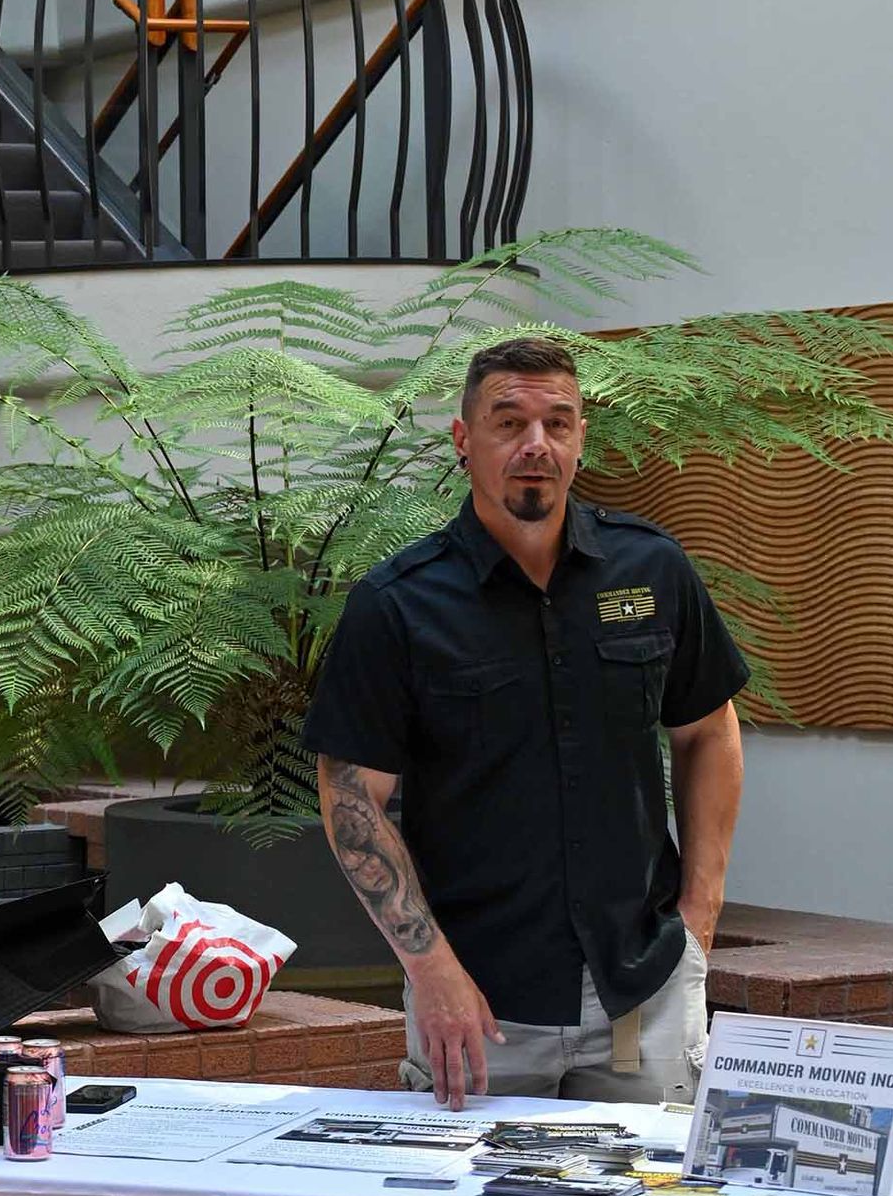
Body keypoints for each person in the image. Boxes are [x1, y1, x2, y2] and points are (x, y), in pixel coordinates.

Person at [303, 337, 747, 1111]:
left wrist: (699, 920)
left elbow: (709, 731)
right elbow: (350, 799)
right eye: (509, 422)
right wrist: (431, 972)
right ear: (464, 440)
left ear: (580, 440)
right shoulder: (399, 605)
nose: (535, 445)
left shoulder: (652, 570)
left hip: (641, 990)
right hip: (478, 1007)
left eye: (558, 423)